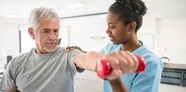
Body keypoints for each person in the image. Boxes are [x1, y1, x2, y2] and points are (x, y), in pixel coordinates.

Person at [0, 7, 139, 92]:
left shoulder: (67, 54)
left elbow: (86, 58)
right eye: (46, 31)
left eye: (56, 31)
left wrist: (106, 60)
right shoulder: (16, 64)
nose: (53, 37)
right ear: (31, 33)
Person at [101, 0, 164, 92]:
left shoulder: (150, 62)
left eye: (112, 26)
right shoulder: (111, 47)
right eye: (108, 26)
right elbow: (95, 58)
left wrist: (114, 79)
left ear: (131, 26)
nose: (107, 31)